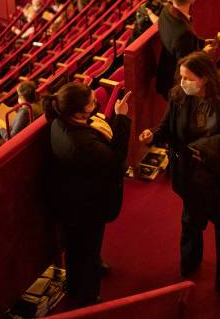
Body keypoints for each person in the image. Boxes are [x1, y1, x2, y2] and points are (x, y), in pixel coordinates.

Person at [139, 52, 220, 295]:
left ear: (205, 78)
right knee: (190, 224)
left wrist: (215, 149)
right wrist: (152, 136)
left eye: (188, 78)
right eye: (181, 77)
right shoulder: (179, 95)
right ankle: (189, 266)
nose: (183, 82)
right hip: (190, 173)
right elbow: (167, 127)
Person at [43, 82, 132, 306]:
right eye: (92, 102)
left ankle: (75, 285)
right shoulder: (81, 144)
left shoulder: (58, 122)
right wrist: (121, 118)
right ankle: (88, 297)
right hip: (86, 205)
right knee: (88, 251)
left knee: (76, 247)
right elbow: (115, 160)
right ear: (79, 112)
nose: (97, 103)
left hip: (71, 198)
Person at [156, 0, 213, 99]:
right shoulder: (184, 34)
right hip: (176, 85)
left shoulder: (165, 11)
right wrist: (204, 52)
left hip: (163, 73)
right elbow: (187, 64)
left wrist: (202, 42)